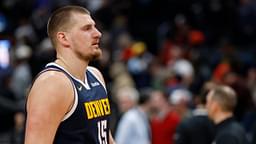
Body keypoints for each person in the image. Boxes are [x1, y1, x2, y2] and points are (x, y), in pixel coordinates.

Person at [25, 5, 115, 144]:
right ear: (63, 38)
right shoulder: (52, 84)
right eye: (87, 28)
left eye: (94, 26)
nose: (98, 33)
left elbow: (104, 138)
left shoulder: (95, 75)